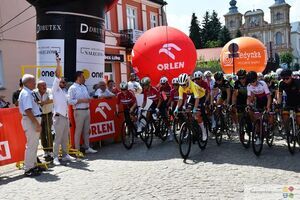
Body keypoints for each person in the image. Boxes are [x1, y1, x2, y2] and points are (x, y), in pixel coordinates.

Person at [52, 57, 75, 165]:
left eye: (64, 82)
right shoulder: (55, 89)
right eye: (62, 81)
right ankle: (55, 157)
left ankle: (65, 155)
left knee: (65, 138)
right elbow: (57, 75)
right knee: (58, 138)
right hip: (58, 117)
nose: (64, 83)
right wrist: (58, 63)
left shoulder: (64, 91)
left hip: (65, 117)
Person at [18, 74, 43, 177]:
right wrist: (36, 123)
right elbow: (28, 110)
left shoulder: (29, 92)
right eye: (33, 81)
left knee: (34, 145)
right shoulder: (26, 93)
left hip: (32, 119)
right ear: (27, 83)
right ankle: (28, 168)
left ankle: (33, 165)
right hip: (30, 120)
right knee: (31, 145)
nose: (35, 83)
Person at [68, 71, 97, 154]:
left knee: (86, 130)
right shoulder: (72, 88)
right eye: (83, 77)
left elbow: (87, 97)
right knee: (78, 131)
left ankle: (87, 147)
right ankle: (77, 149)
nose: (84, 78)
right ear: (78, 78)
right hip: (79, 111)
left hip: (87, 110)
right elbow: (70, 101)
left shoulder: (84, 87)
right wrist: (81, 100)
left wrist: (90, 99)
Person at [174, 73, 207, 141]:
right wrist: (176, 108)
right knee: (187, 111)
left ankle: (204, 132)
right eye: (181, 85)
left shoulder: (193, 85)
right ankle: (191, 128)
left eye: (184, 84)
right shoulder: (181, 87)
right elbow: (180, 100)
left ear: (187, 82)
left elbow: (197, 99)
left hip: (201, 97)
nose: (182, 86)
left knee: (197, 114)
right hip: (192, 96)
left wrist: (194, 109)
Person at [34, 80, 54, 161]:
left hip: (48, 114)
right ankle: (45, 151)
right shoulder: (34, 92)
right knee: (42, 133)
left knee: (48, 132)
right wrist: (40, 102)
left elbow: (52, 100)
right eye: (42, 85)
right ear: (38, 87)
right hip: (39, 115)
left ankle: (51, 151)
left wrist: (42, 102)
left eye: (45, 85)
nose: (44, 87)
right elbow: (34, 102)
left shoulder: (49, 90)